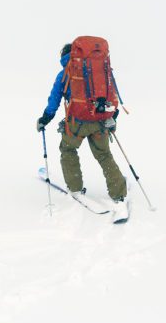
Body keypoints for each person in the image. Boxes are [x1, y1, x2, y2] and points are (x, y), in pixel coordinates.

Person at [37, 42, 128, 217]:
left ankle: (75, 188)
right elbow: (112, 94)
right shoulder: (100, 72)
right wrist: (112, 117)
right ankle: (119, 192)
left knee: (68, 149)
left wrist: (45, 118)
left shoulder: (65, 73)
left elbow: (54, 99)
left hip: (76, 123)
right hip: (100, 120)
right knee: (104, 154)